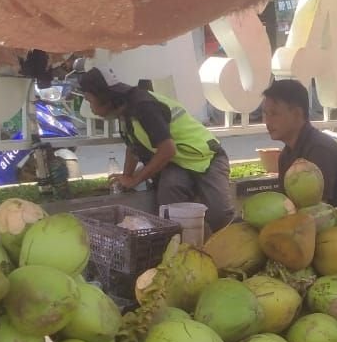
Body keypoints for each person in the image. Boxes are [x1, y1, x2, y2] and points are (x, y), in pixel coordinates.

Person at [77, 68, 235, 231]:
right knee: (170, 202)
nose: (91, 108)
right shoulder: (125, 110)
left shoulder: (143, 106)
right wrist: (127, 176)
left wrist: (134, 180)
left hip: (206, 158)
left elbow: (167, 150)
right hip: (177, 163)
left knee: (220, 214)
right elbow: (133, 148)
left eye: (90, 101)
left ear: (105, 98)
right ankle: (178, 246)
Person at [260, 79, 337, 207]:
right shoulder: (286, 155)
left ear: (297, 114)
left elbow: (318, 211)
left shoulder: (320, 150)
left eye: (274, 113)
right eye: (265, 113)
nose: (267, 121)